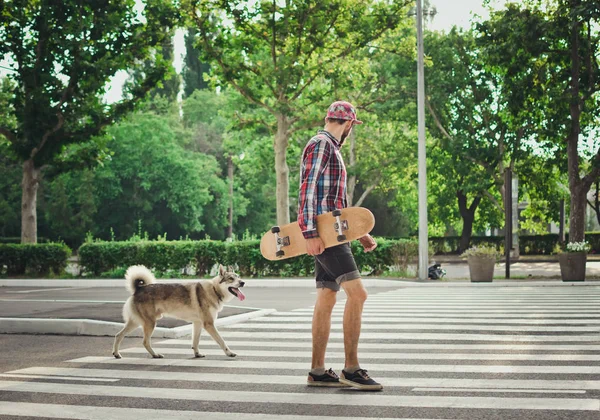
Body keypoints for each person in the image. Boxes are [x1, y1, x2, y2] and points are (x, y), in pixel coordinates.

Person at [297, 100, 382, 391]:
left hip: (331, 233)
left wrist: (359, 234)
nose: (350, 132)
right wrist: (309, 233)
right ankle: (352, 368)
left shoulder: (330, 147)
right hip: (324, 236)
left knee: (326, 298)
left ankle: (318, 371)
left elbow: (336, 205)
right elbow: (307, 191)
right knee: (358, 294)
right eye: (351, 127)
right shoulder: (322, 144)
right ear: (347, 124)